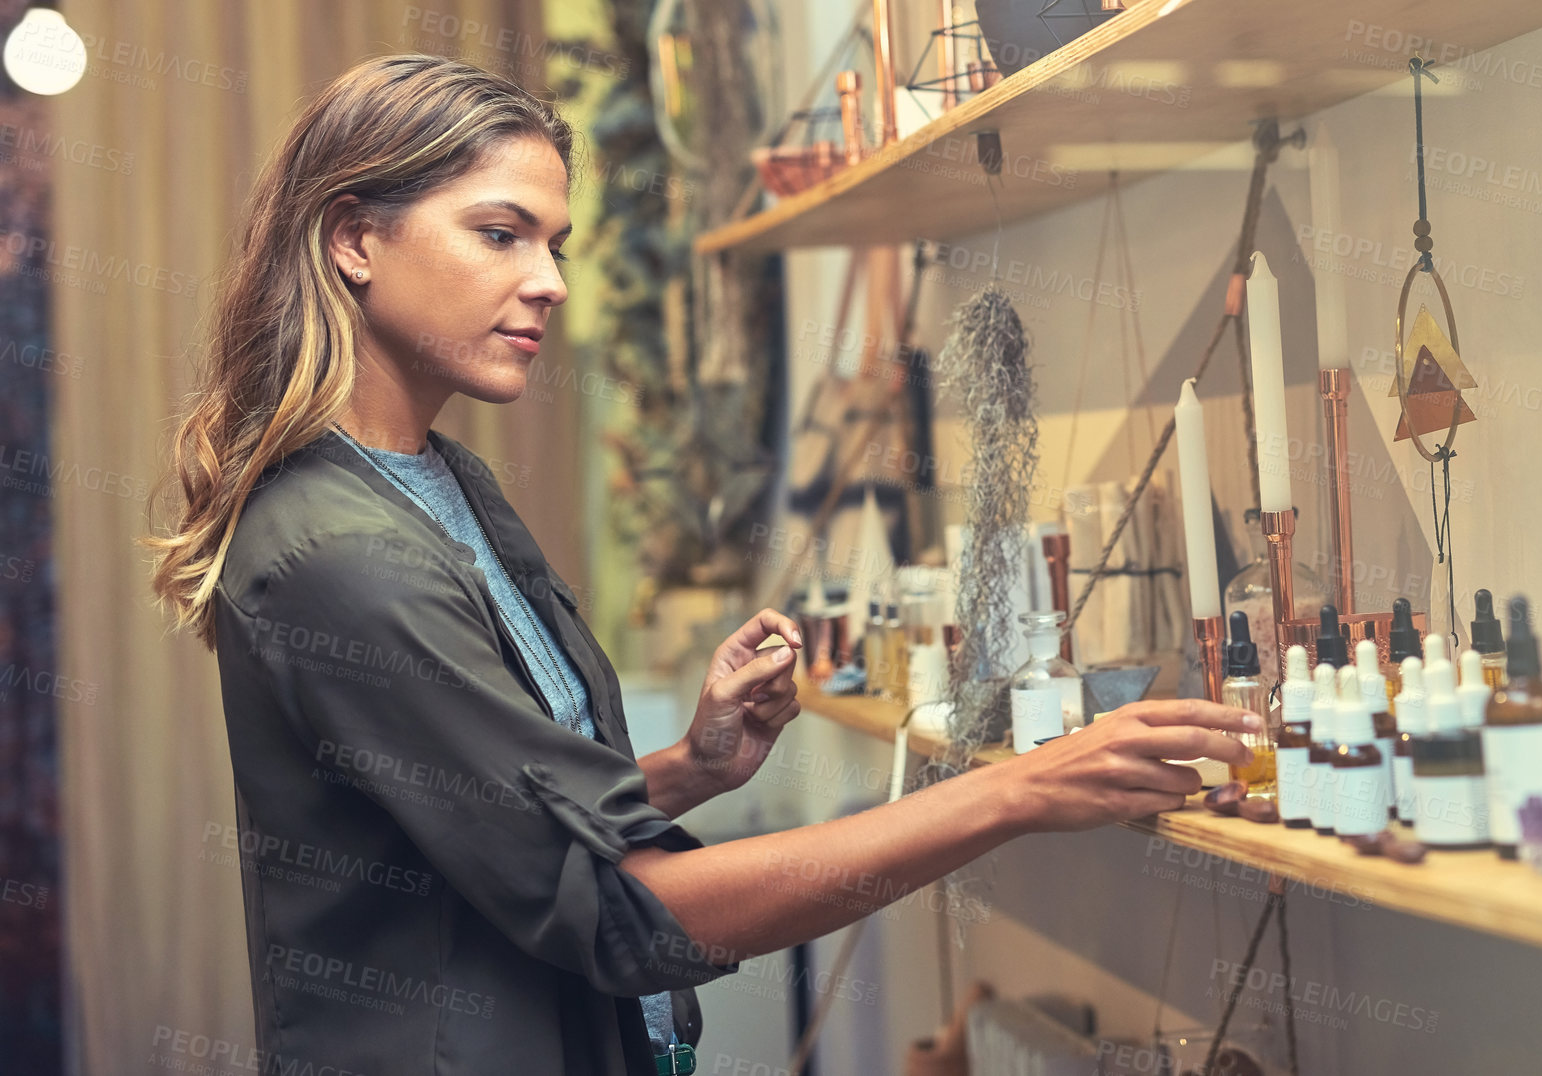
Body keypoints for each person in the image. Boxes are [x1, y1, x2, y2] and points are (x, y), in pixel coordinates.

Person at [144, 54, 1258, 1076]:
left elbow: (500, 814)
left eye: (557, 244)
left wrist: (691, 765)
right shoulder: (340, 552)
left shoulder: (442, 480)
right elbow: (623, 913)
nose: (550, 283)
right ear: (353, 238)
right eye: (501, 233)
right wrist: (1019, 787)